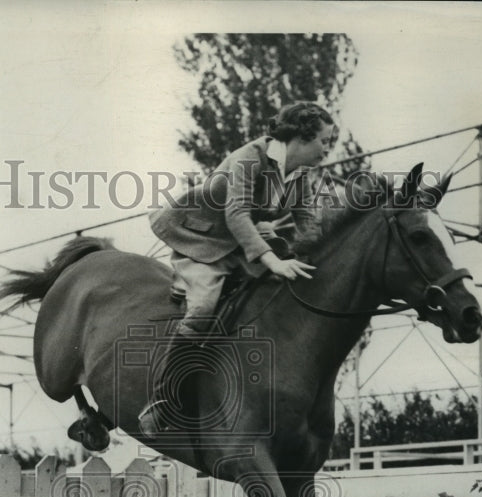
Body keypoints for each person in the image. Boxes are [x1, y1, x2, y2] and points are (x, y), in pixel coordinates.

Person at [138, 101, 338, 437]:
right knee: (202, 309)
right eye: (324, 140)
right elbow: (237, 215)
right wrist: (272, 260)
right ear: (301, 138)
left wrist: (320, 258)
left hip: (241, 240)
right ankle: (164, 401)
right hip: (202, 238)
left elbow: (306, 222)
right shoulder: (249, 158)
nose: (327, 149)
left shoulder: (301, 173)